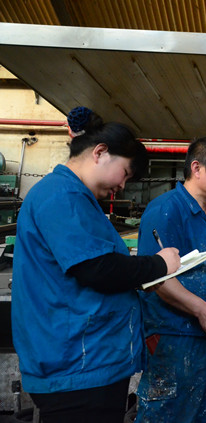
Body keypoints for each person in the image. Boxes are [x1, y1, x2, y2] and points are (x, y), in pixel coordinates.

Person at [12, 115, 181, 423]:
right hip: (75, 366)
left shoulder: (74, 196)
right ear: (100, 152)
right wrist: (159, 264)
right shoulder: (62, 194)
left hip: (87, 361)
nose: (122, 185)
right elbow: (97, 268)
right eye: (125, 173)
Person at [135, 136, 206, 423]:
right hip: (174, 337)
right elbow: (157, 278)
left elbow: (189, 265)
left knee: (203, 414)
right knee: (168, 414)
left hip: (204, 337)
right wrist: (203, 310)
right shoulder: (167, 209)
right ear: (197, 168)